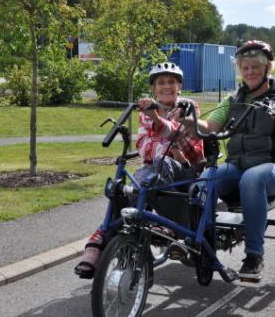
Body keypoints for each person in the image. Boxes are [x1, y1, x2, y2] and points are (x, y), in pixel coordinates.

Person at [184, 39, 275, 282]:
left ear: (268, 68)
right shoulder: (233, 99)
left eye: (255, 67)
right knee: (204, 180)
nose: (249, 72)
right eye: (244, 67)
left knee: (252, 178)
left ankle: (254, 256)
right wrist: (189, 120)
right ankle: (203, 243)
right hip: (238, 166)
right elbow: (209, 126)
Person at [74, 62, 205, 279]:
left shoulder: (190, 106)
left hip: (187, 172)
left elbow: (183, 143)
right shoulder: (147, 109)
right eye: (161, 82)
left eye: (171, 82)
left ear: (179, 85)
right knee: (123, 188)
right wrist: (165, 143)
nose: (166, 86)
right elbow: (143, 144)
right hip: (156, 171)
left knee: (153, 171)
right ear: (154, 88)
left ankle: (98, 241)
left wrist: (158, 125)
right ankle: (103, 239)